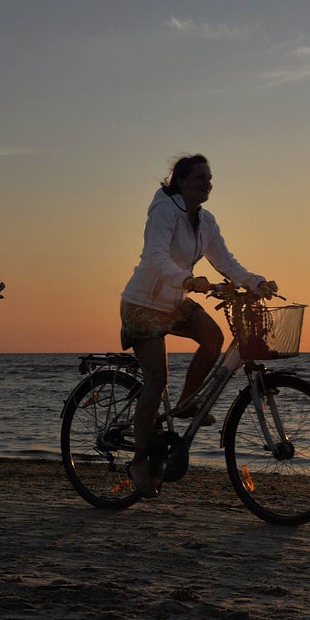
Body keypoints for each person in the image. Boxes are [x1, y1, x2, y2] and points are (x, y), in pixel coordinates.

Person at [120, 154, 276, 497]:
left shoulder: (205, 221)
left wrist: (255, 282)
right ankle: (139, 460)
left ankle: (188, 402)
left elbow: (224, 261)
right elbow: (155, 257)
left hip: (174, 300)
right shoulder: (163, 212)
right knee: (157, 380)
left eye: (210, 178)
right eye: (201, 178)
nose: (208, 184)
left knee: (213, 337)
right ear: (181, 181)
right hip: (144, 304)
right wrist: (187, 280)